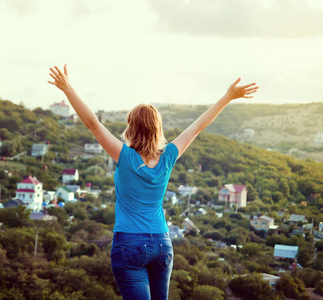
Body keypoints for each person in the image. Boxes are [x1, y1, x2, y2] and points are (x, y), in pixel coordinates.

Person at [48, 65, 258, 300]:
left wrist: (67, 88)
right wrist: (227, 97)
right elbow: (198, 126)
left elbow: (92, 124)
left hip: (129, 244)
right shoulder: (168, 156)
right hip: (161, 244)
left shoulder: (125, 157)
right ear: (157, 129)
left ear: (131, 127)